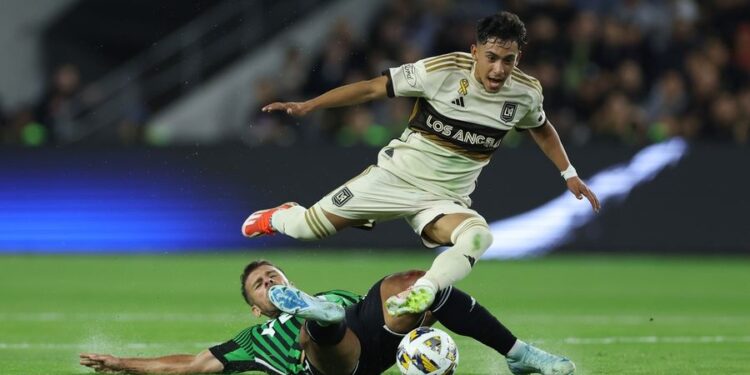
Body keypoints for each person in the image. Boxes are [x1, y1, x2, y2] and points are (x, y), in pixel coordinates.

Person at [243, 11, 600, 317]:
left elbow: (542, 128)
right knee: (307, 228)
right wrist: (308, 106)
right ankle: (279, 215)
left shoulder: (525, 93)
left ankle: (424, 290)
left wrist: (568, 174)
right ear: (474, 51)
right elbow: (371, 89)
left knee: (478, 236)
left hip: (444, 199)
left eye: (508, 60)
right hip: (395, 178)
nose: (498, 69)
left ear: (518, 57)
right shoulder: (441, 71)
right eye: (491, 57)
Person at [80, 259, 576, 374]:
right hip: (337, 365)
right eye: (261, 285)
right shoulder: (252, 340)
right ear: (256, 308)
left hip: (368, 333)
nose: (270, 281)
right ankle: (316, 321)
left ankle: (520, 356)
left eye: (274, 274)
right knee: (323, 329)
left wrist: (420, 331)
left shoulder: (331, 291)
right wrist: (122, 363)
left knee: (418, 284)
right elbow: (189, 366)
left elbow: (381, 315)